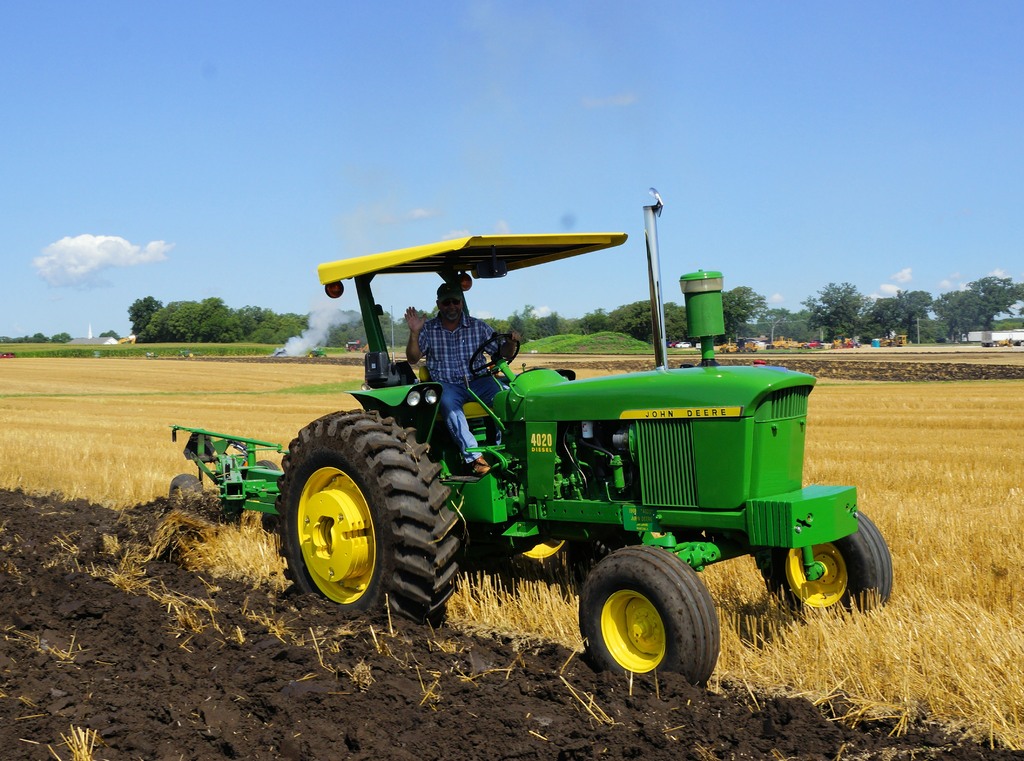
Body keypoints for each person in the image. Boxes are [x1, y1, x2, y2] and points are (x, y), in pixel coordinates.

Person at [405, 282, 520, 476]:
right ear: (438, 304)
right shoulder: (429, 329)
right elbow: (412, 358)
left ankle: (509, 449)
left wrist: (511, 343)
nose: (451, 306)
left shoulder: (478, 327)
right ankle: (474, 458)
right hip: (448, 385)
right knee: (449, 403)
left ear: (461, 302)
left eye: (455, 302)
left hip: (478, 381)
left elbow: (502, 354)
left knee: (507, 397)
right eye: (446, 302)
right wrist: (414, 333)